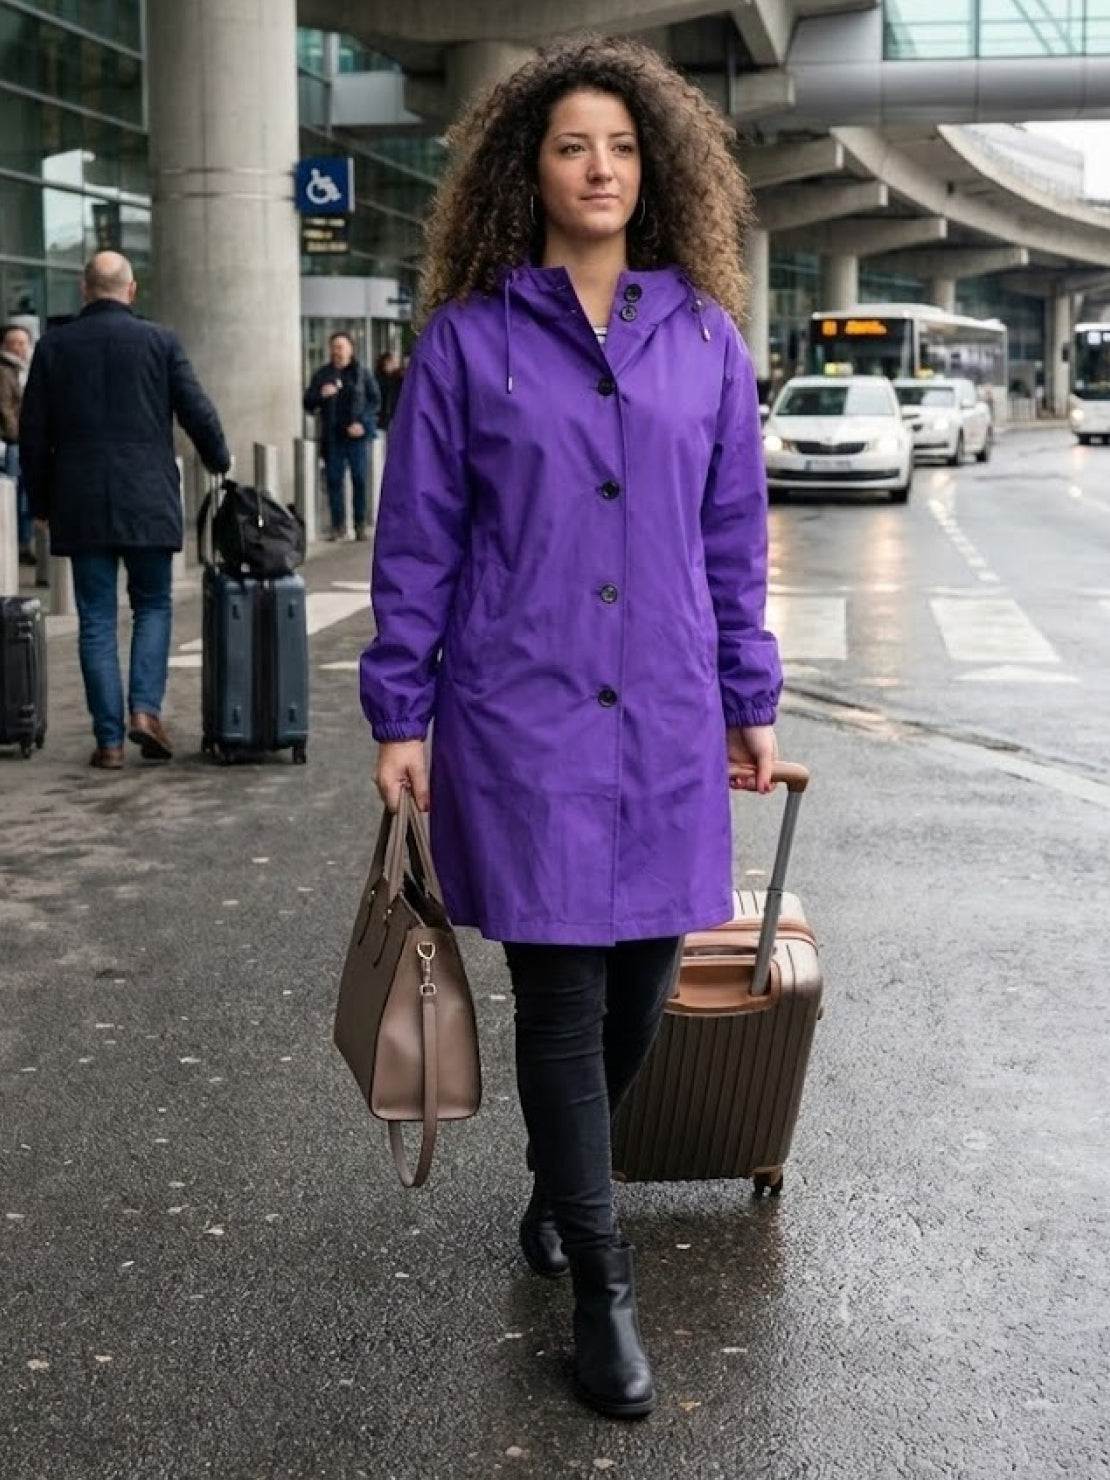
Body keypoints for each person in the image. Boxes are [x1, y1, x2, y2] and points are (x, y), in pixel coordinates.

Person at [359, 35, 781, 1420]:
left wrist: (747, 697)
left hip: (661, 710)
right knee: (556, 993)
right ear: (524, 175)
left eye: (619, 146)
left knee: (643, 985)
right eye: (568, 147)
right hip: (519, 708)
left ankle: (559, 1181)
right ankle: (602, 1286)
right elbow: (418, 538)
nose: (598, 168)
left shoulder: (705, 340)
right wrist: (399, 709)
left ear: (650, 170)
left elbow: (732, 539)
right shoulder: (472, 341)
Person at [20, 251, 229, 769]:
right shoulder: (160, 342)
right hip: (146, 500)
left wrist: (41, 503)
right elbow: (196, 408)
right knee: (153, 605)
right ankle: (144, 710)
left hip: (82, 501)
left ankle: (109, 741)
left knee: (95, 619)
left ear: (84, 289)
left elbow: (32, 435)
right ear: (130, 290)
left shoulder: (54, 347)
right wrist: (219, 460)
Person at [303, 332, 380, 540]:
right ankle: (338, 526)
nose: (337, 351)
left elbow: (374, 401)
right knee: (334, 481)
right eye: (334, 347)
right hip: (333, 437)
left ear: (350, 349)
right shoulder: (322, 375)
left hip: (356, 437)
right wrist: (321, 394)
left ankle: (360, 524)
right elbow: (308, 402)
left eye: (341, 347)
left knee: (359, 479)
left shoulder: (362, 373)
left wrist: (363, 424)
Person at [0, 323, 34, 565]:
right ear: (6, 345)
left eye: (25, 343)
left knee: (22, 495)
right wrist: (18, 436)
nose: (22, 348)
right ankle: (18, 545)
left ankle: (23, 543)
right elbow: (5, 410)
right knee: (13, 493)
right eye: (17, 343)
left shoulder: (21, 370)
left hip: (19, 441)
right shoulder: (5, 371)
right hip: (13, 443)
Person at [373, 350, 402, 433]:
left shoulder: (399, 379)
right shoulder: (377, 379)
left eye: (395, 362)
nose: (395, 364)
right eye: (391, 361)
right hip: (380, 420)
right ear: (384, 363)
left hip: (394, 418)